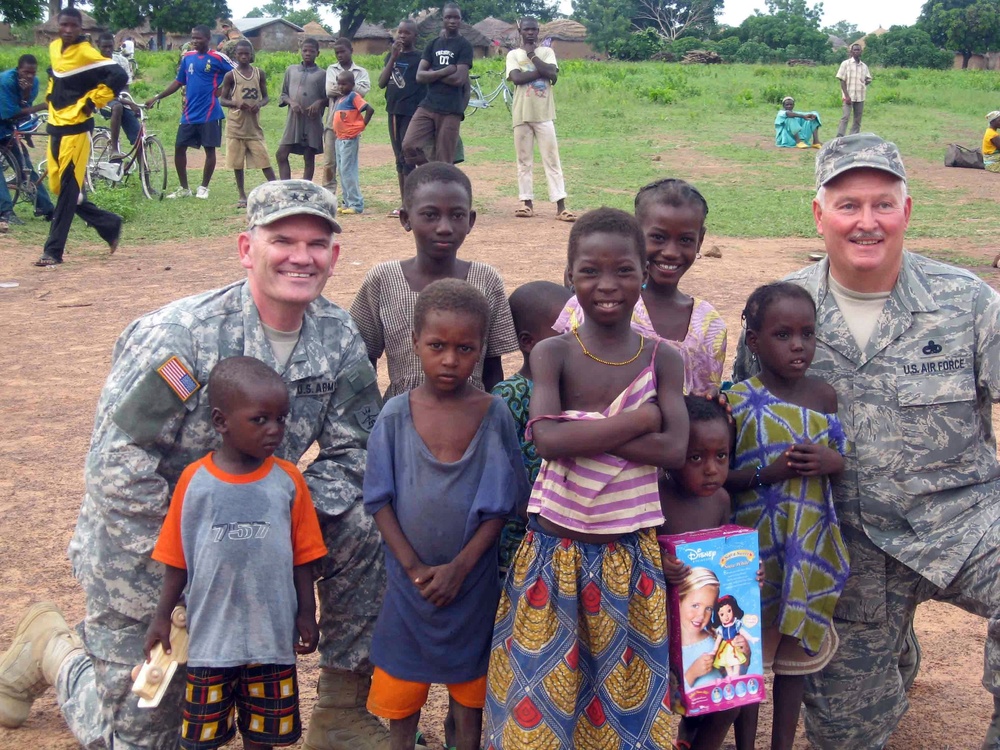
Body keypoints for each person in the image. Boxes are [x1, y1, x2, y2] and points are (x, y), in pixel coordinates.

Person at [0, 180, 393, 750]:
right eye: (282, 240)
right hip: (152, 545)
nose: (300, 257)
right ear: (246, 249)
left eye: (316, 243)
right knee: (148, 735)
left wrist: (273, 528)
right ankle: (56, 651)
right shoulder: (183, 340)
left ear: (334, 255)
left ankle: (339, 707)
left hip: (257, 526)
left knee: (363, 520)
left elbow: (355, 451)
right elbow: (118, 465)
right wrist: (198, 553)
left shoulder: (338, 337)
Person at [733, 133, 1000, 750]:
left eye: (883, 204)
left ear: (906, 212)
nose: (867, 222)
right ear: (819, 214)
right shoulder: (781, 310)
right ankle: (892, 650)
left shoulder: (966, 302)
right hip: (842, 549)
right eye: (848, 205)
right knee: (847, 735)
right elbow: (742, 430)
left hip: (961, 522)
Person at [484, 207, 688, 750]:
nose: (607, 285)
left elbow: (674, 448)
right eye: (590, 271)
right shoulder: (554, 354)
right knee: (539, 711)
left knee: (624, 712)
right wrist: (640, 420)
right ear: (570, 274)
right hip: (556, 556)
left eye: (624, 270)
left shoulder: (664, 360)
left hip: (630, 559)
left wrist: (586, 428)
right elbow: (547, 441)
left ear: (644, 273)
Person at [363, 279, 530, 750]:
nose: (450, 360)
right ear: (415, 343)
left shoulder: (493, 414)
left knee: (470, 699)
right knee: (402, 700)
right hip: (406, 586)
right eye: (437, 346)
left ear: (481, 350)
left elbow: (501, 506)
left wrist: (460, 569)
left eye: (465, 348)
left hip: (471, 585)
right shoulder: (396, 414)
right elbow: (379, 500)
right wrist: (414, 569)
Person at [145, 356, 328, 750]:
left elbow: (303, 556)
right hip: (211, 639)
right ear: (220, 421)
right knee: (204, 737)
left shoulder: (288, 480)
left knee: (262, 736)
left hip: (271, 638)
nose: (274, 430)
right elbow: (177, 558)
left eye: (281, 418)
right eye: (259, 420)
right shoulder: (195, 482)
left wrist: (306, 613)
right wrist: (161, 617)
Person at [725, 281, 849, 750]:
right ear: (754, 342)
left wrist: (833, 463)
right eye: (782, 335)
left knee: (794, 663)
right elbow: (722, 477)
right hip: (757, 552)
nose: (798, 345)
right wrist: (767, 473)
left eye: (807, 333)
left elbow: (838, 458)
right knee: (751, 659)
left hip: (808, 549)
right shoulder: (738, 400)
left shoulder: (824, 396)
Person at [350, 162, 518, 398]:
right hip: (402, 420)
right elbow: (364, 362)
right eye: (430, 215)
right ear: (406, 219)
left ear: (471, 221)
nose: (444, 227)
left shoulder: (486, 280)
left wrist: (492, 419)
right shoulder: (383, 280)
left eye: (457, 215)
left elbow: (492, 369)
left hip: (471, 419)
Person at [554, 178, 728, 395]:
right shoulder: (595, 305)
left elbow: (705, 398)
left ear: (700, 241)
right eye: (658, 237)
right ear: (635, 234)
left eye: (685, 240)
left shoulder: (709, 325)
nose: (671, 252)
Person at [659, 395, 749, 750]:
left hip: (703, 633)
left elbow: (724, 560)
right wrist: (658, 564)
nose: (711, 469)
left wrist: (747, 574)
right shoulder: (657, 497)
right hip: (661, 633)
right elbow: (635, 553)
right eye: (696, 458)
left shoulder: (721, 500)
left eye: (721, 456)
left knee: (727, 702)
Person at [33, 8, 126, 267]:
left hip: (76, 130)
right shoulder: (54, 48)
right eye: (64, 25)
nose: (68, 30)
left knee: (66, 193)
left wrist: (92, 102)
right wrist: (50, 96)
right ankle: (108, 223)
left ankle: (53, 251)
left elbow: (118, 76)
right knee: (58, 187)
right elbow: (53, 74)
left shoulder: (86, 52)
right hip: (55, 127)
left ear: (80, 28)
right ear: (58, 26)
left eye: (73, 26)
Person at [491, 280, 570, 575]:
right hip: (519, 535)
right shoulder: (509, 394)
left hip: (566, 529)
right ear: (528, 342)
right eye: (564, 333)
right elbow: (499, 468)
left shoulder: (576, 388)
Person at [146, 24, 234, 200]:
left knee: (210, 150)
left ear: (208, 39)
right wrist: (157, 97)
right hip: (189, 113)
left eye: (198, 38)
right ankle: (184, 188)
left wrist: (223, 90)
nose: (194, 41)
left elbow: (239, 72)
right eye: (193, 37)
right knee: (179, 148)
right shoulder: (187, 58)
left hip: (210, 113)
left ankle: (204, 187)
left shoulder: (218, 57)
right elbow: (178, 82)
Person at [506, 17, 575, 222]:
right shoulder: (512, 54)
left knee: (552, 159)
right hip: (521, 113)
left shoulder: (547, 52)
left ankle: (560, 206)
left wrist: (532, 57)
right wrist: (543, 71)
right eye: (526, 29)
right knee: (524, 160)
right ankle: (526, 203)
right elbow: (517, 79)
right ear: (521, 31)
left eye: (534, 30)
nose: (530, 33)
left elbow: (553, 74)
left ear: (538, 32)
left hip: (544, 114)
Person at [401, 3, 472, 169]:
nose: (452, 20)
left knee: (445, 158)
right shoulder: (433, 44)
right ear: (443, 19)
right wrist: (446, 70)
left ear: (461, 20)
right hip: (428, 105)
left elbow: (459, 79)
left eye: (456, 17)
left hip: (451, 109)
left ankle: (442, 183)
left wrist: (432, 73)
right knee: (409, 145)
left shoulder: (465, 46)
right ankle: (431, 169)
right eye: (448, 17)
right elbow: (419, 76)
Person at [219, 39, 277, 209]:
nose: (244, 56)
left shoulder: (259, 74)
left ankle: (277, 189)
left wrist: (259, 104)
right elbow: (222, 99)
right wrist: (236, 104)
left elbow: (266, 97)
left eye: (247, 54)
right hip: (236, 125)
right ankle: (242, 195)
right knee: (237, 164)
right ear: (235, 56)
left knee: (264, 160)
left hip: (253, 126)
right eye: (240, 54)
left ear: (251, 55)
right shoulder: (231, 76)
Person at [0, 53, 54, 228]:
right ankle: (5, 212)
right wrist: (41, 106)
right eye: (25, 72)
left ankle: (46, 209)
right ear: (18, 70)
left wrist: (27, 92)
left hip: (6, 127)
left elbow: (24, 108)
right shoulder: (6, 81)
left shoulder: (34, 83)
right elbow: (11, 113)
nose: (29, 76)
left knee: (25, 165)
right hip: (5, 119)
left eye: (33, 72)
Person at [378, 19, 424, 217]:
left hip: (412, 112)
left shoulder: (421, 58)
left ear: (415, 36)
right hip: (394, 111)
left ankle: (413, 203)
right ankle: (405, 203)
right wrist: (393, 58)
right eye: (400, 32)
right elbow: (381, 83)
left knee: (411, 157)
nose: (402, 36)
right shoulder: (392, 56)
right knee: (400, 158)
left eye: (407, 33)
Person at [322, 38, 370, 195]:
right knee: (330, 162)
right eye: (337, 52)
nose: (339, 55)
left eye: (342, 51)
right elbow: (329, 90)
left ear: (351, 50)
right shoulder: (331, 69)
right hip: (332, 124)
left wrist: (344, 85)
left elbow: (363, 93)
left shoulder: (361, 72)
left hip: (350, 128)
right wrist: (350, 87)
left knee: (347, 164)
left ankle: (349, 196)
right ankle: (329, 194)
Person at [276, 38, 327, 182]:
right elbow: (283, 94)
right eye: (305, 50)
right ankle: (286, 186)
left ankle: (306, 188)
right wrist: (291, 102)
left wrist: (319, 102)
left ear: (318, 53)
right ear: (300, 51)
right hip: (294, 119)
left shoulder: (322, 74)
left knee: (309, 155)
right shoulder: (291, 70)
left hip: (312, 120)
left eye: (311, 51)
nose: (307, 53)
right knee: (281, 154)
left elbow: (329, 97)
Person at [331, 70, 374, 216]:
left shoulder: (353, 96)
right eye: (339, 84)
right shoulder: (340, 99)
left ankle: (356, 204)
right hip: (339, 139)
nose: (341, 87)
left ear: (352, 84)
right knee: (342, 171)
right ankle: (347, 202)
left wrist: (361, 126)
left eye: (345, 84)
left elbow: (369, 109)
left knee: (348, 171)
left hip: (349, 139)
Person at [96, 33, 141, 161]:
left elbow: (126, 88)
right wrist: (126, 102)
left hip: (120, 100)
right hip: (101, 101)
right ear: (98, 45)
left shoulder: (122, 61)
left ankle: (144, 173)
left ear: (114, 45)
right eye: (104, 47)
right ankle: (114, 149)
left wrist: (130, 103)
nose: (108, 50)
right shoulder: (94, 64)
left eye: (110, 46)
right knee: (117, 107)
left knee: (138, 135)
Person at [835, 44, 871, 137]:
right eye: (854, 50)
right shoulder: (845, 64)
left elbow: (868, 79)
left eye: (858, 50)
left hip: (860, 96)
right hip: (848, 96)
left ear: (861, 52)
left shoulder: (864, 66)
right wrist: (846, 96)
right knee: (845, 117)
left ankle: (853, 137)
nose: (856, 52)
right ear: (851, 52)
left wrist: (865, 82)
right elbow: (842, 80)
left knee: (857, 119)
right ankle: (840, 137)